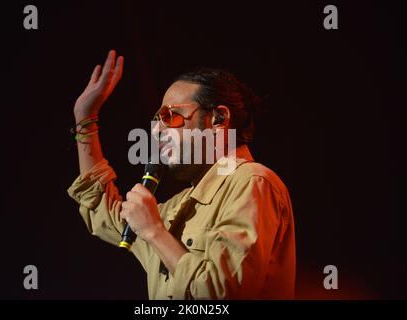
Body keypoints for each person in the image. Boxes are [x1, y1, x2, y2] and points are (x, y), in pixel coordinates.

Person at [67, 50, 296, 299]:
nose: (156, 130)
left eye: (169, 116)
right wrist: (85, 120)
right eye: (156, 120)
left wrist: (155, 231)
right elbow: (101, 208)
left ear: (219, 119)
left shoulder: (251, 181)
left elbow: (223, 295)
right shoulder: (175, 207)